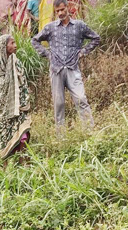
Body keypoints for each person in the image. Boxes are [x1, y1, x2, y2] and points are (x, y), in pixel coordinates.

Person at [31, 0, 99, 136]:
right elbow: (34, 40)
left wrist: (83, 52)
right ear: (55, 12)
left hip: (73, 68)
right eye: (58, 11)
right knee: (59, 104)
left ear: (68, 8)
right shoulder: (51, 27)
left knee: (81, 99)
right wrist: (47, 54)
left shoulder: (79, 26)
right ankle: (60, 136)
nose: (61, 13)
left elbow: (96, 38)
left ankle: (90, 134)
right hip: (56, 70)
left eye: (62, 9)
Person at [0, 34, 32, 159]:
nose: (15, 46)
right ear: (4, 46)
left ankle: (23, 160)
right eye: (12, 43)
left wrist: (22, 100)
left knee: (23, 133)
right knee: (7, 138)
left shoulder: (16, 62)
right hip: (4, 110)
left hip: (19, 106)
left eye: (15, 43)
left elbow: (23, 82)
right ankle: (7, 167)